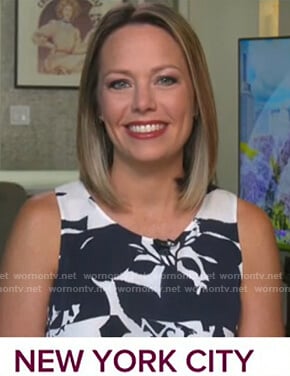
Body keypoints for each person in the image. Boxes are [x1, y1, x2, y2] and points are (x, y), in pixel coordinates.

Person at [0, 3, 284, 337]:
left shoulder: (248, 230)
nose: (143, 103)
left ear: (196, 99)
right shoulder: (42, 225)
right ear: (97, 106)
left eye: (165, 80)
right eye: (120, 84)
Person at [32, 0, 85, 74]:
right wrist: (50, 45)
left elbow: (76, 50)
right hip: (55, 58)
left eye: (70, 10)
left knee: (84, 60)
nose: (68, 12)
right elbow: (36, 35)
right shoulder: (55, 25)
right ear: (62, 11)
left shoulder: (75, 31)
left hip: (69, 59)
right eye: (66, 9)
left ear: (73, 12)